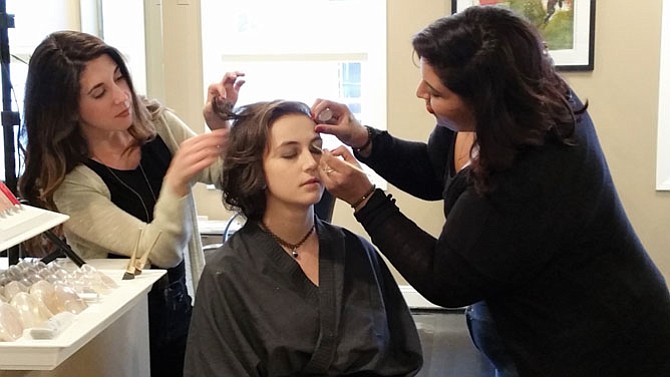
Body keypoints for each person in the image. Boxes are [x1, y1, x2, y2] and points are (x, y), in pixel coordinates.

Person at [312, 6, 670, 377]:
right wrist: (365, 139)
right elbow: (437, 172)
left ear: (485, 97)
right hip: (515, 321)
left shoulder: (531, 168)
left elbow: (444, 279)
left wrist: (366, 200)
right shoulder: (492, 111)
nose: (421, 93)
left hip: (593, 346)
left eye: (435, 92)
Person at [17, 30, 245, 377]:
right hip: (122, 335)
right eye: (99, 92)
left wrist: (220, 126)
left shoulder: (154, 122)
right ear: (66, 109)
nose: (121, 96)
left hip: (182, 308)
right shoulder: (72, 186)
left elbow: (224, 175)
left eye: (119, 77)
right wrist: (176, 182)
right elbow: (161, 250)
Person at [183, 100, 423, 376]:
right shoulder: (227, 275)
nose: (311, 163)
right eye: (289, 154)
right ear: (255, 170)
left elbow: (401, 357)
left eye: (316, 149)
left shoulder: (357, 252)